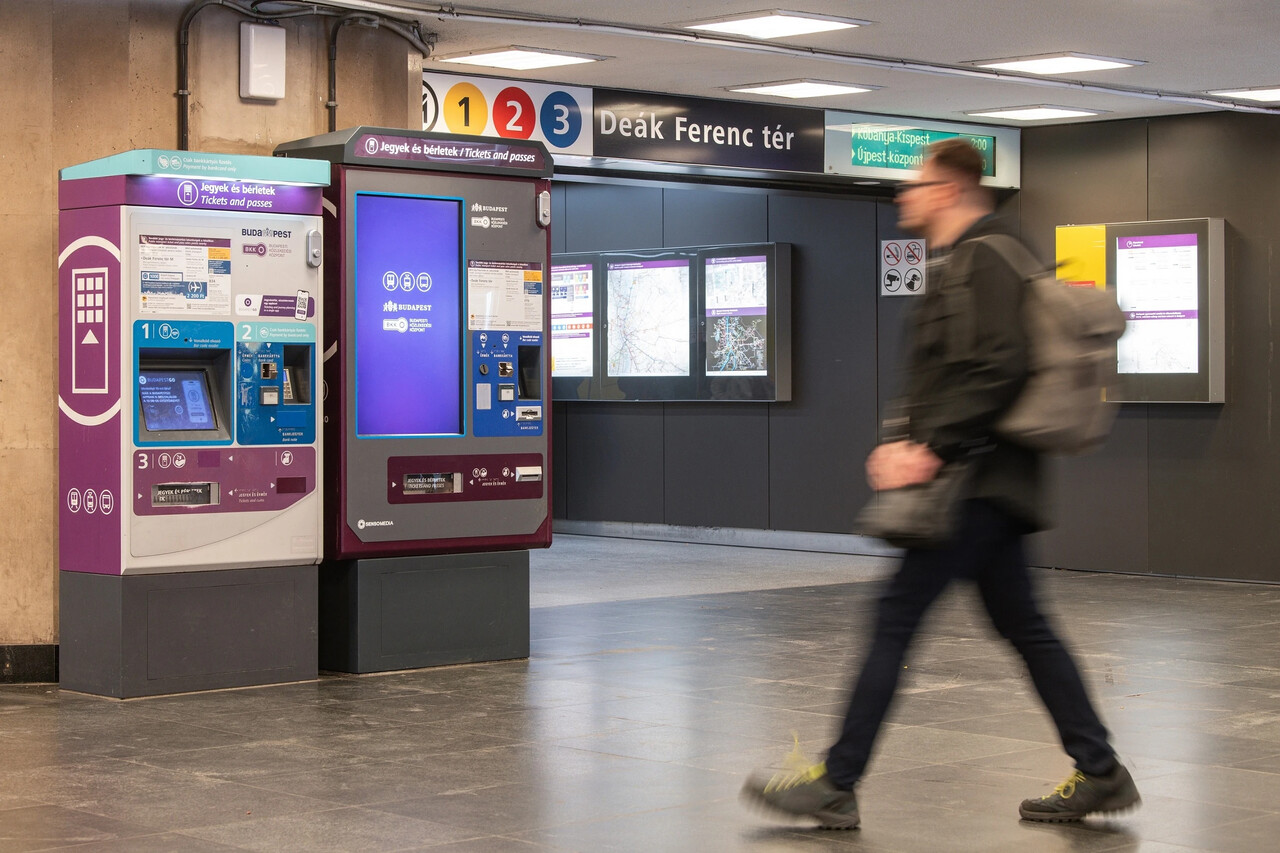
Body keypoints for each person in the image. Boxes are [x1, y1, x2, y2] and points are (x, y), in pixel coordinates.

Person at [741, 138, 1140, 829]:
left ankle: (837, 781)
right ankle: (1099, 769)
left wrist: (930, 447)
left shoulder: (984, 257)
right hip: (993, 482)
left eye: (916, 184)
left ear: (951, 189)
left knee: (894, 619)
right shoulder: (972, 259)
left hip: (971, 481)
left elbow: (1001, 364)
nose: (905, 196)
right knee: (1026, 627)